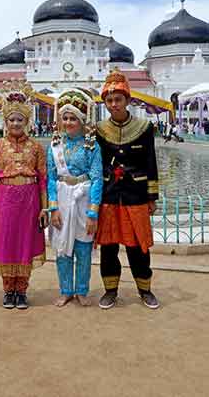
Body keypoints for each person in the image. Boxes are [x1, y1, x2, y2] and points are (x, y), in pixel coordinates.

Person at [95, 68, 160, 310]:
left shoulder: (144, 128)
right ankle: (110, 290)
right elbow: (97, 165)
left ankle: (145, 289)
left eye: (118, 99)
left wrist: (152, 196)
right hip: (110, 194)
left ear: (127, 100)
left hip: (136, 195)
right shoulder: (100, 130)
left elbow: (151, 162)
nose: (114, 104)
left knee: (137, 246)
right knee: (109, 247)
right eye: (109, 100)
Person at [0, 79, 48, 310]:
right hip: (4, 201)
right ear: (5, 121)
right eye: (11, 119)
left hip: (30, 200)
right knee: (6, 243)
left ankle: (21, 291)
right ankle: (8, 290)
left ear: (27, 121)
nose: (15, 123)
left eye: (19, 119)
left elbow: (43, 179)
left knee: (25, 243)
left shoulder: (36, 147)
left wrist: (44, 208)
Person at [47, 88, 103, 307]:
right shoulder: (54, 147)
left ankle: (81, 290)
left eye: (73, 118)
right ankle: (65, 290)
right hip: (61, 198)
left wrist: (93, 212)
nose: (69, 122)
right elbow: (51, 179)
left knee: (83, 248)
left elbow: (98, 179)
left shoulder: (92, 146)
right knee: (62, 248)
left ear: (82, 121)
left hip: (83, 199)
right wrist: (53, 208)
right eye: (65, 118)